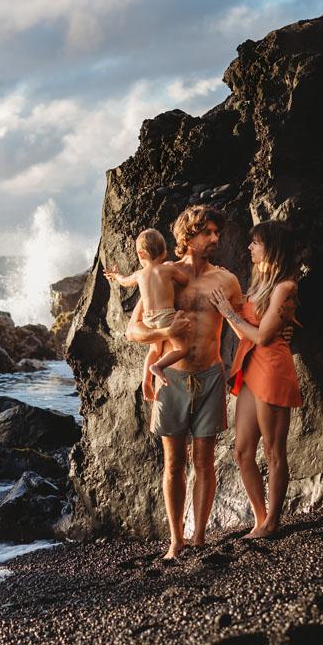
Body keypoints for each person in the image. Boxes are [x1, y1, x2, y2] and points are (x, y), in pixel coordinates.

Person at [125, 205, 241, 559]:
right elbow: (134, 330)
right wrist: (164, 330)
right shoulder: (162, 275)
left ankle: (200, 537)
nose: (215, 239)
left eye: (216, 233)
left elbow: (242, 327)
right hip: (171, 378)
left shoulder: (226, 280)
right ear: (187, 237)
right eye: (207, 232)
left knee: (205, 461)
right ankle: (176, 541)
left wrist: (237, 368)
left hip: (210, 376)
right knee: (174, 463)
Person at [208, 220, 301, 539]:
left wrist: (230, 313)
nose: (249, 248)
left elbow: (262, 336)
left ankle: (273, 522)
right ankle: (260, 519)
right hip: (250, 367)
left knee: (275, 451)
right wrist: (225, 310)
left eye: (256, 242)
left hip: (273, 367)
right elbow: (246, 334)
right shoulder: (259, 286)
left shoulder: (285, 287)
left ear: (271, 247)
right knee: (242, 451)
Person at [103, 229, 189, 404]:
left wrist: (116, 276)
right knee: (182, 349)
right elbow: (185, 281)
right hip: (166, 315)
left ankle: (147, 382)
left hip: (148, 318)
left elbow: (125, 281)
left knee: (154, 350)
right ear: (164, 252)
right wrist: (175, 271)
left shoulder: (139, 275)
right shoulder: (167, 269)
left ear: (140, 253)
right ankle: (158, 366)